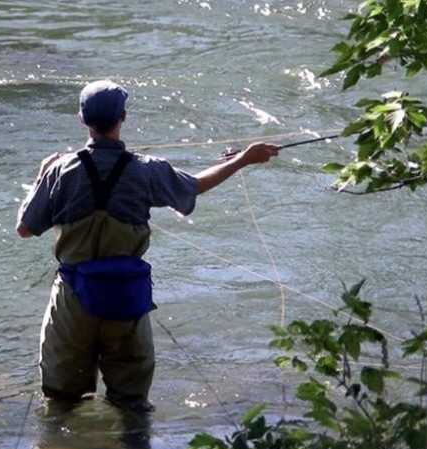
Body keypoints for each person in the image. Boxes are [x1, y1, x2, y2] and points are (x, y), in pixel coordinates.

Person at [15, 79, 279, 413]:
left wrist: (40, 177)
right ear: (123, 117)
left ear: (81, 119)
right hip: (126, 299)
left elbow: (25, 229)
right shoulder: (146, 170)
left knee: (61, 401)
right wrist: (243, 159)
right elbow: (195, 186)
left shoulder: (59, 171)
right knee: (132, 404)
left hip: (72, 301)